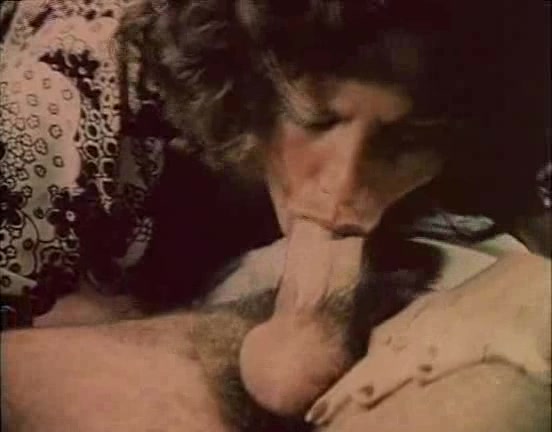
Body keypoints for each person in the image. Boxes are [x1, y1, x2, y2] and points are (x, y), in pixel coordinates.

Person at [1, 0, 550, 430]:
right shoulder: (51, 115)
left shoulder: (483, 116)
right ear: (250, 85)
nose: (342, 185)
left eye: (405, 142)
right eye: (315, 120)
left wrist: (529, 283)